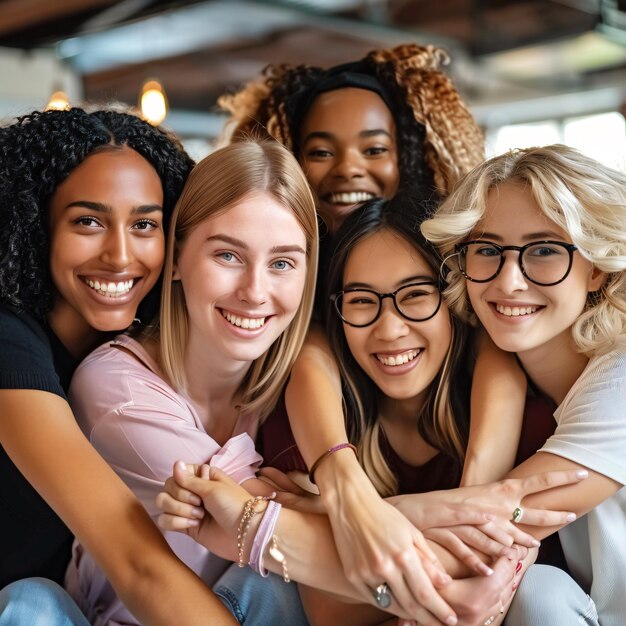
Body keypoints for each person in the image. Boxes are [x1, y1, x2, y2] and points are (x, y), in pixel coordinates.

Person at [220, 43, 529, 617]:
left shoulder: (465, 313)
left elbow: (495, 357)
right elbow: (310, 355)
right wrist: (345, 489)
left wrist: (330, 508)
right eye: (319, 151)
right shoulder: (285, 290)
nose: (348, 169)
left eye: (375, 148)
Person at [65, 139, 319, 625]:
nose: (255, 291)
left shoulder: (297, 384)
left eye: (283, 262)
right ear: (176, 258)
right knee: (28, 599)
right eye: (228, 255)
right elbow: (277, 537)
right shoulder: (115, 387)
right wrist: (322, 506)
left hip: (241, 610)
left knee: (273, 587)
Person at [0, 107, 236, 625]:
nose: (120, 254)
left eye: (145, 224)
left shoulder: (138, 348)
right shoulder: (10, 343)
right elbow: (137, 563)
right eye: (88, 221)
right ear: (36, 226)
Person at [420, 144, 626, 625]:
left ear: (596, 266)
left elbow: (484, 520)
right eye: (488, 250)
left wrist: (336, 509)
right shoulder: (495, 360)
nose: (509, 281)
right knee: (540, 591)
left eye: (544, 251)